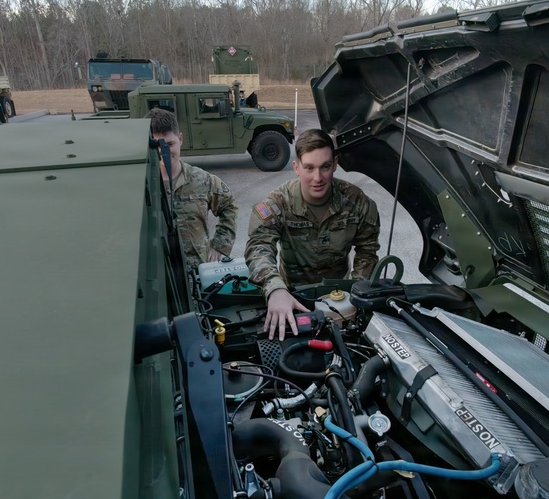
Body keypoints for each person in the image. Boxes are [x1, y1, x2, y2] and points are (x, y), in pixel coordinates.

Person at [246, 128, 380, 340]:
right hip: (291, 296)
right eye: (309, 168)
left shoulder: (357, 202)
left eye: (325, 167)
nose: (317, 178)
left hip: (340, 298)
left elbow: (368, 249)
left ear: (335, 164)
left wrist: (357, 291)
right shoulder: (278, 203)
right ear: (296, 167)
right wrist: (274, 288)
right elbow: (259, 247)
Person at [147, 107, 238, 268]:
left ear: (180, 139)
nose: (164, 152)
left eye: (170, 144)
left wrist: (220, 246)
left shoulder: (202, 180)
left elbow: (229, 205)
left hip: (197, 275)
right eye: (157, 146)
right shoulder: (143, 184)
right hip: (158, 277)